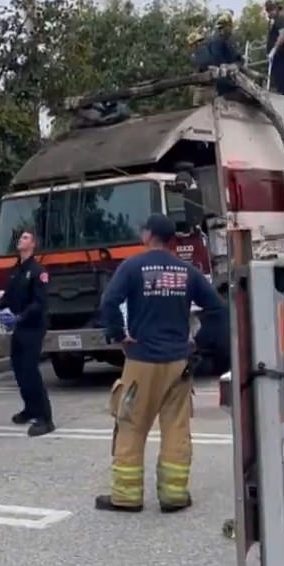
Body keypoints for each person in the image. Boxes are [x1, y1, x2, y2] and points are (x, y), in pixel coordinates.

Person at [95, 213, 226, 514]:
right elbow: (216, 309)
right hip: (179, 362)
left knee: (130, 424)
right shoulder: (188, 272)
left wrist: (118, 335)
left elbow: (109, 302)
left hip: (142, 359)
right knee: (176, 427)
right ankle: (174, 496)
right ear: (171, 240)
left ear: (149, 234)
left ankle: (127, 497)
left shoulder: (132, 266)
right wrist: (199, 342)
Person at [0, 229, 55, 437]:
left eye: (26, 237)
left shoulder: (38, 271)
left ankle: (45, 418)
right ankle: (30, 409)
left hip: (33, 327)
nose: (21, 240)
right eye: (20, 237)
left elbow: (40, 303)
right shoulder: (16, 270)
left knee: (30, 371)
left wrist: (20, 317)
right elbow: (9, 296)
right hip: (19, 327)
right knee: (18, 369)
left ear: (33, 244)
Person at [264, 0, 284, 96]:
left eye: (269, 11)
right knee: (280, 81)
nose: (268, 14)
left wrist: (274, 50)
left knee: (283, 80)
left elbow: (283, 34)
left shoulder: (280, 19)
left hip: (281, 56)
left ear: (274, 9)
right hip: (278, 57)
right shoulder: (275, 21)